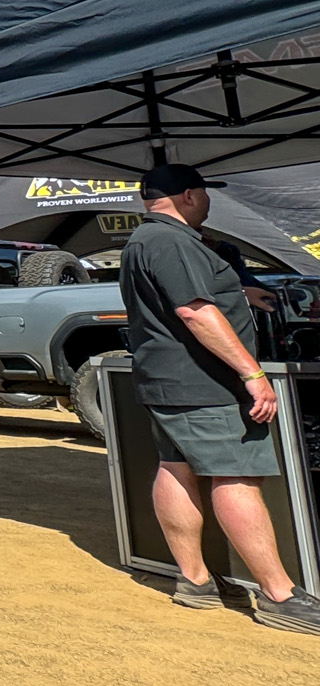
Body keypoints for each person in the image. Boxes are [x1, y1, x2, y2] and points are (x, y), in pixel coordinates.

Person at [119, 163, 320, 634]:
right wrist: (252, 373)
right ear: (188, 195)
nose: (209, 202)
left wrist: (239, 292)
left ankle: (195, 582)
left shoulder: (146, 239)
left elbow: (179, 296)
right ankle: (279, 595)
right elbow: (194, 311)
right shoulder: (171, 240)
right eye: (205, 193)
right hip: (204, 382)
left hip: (168, 381)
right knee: (237, 475)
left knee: (176, 467)